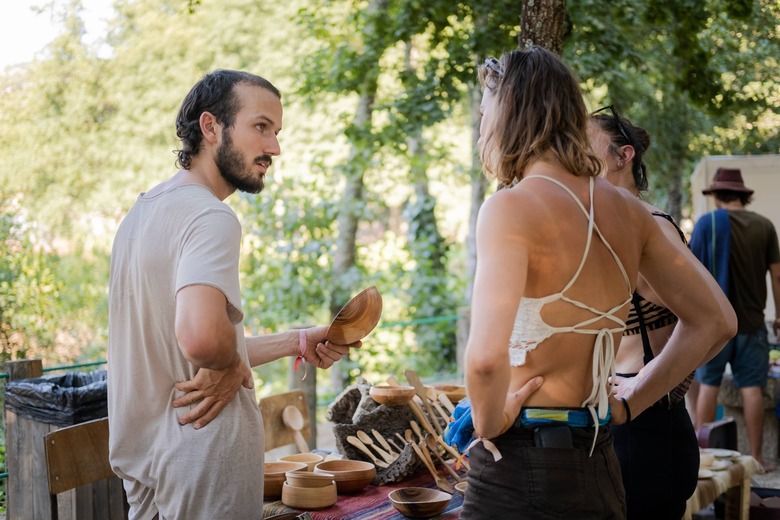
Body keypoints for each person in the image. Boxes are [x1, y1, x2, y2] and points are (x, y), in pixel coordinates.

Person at [461, 46, 735, 519]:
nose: (481, 130)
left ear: (510, 114)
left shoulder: (509, 206)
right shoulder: (632, 211)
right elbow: (717, 320)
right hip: (600, 458)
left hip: (520, 458)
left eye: (485, 114)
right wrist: (632, 403)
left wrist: (487, 421)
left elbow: (485, 360)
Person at [107, 70, 358, 519]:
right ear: (210, 127)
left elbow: (185, 358)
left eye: (276, 132)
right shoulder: (211, 217)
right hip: (204, 461)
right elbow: (203, 340)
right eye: (260, 127)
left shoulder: (141, 214)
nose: (274, 148)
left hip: (148, 467)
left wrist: (297, 341)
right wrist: (230, 362)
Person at [589, 109, 700, 519]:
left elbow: (709, 320)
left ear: (624, 156)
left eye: (585, 143)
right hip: (632, 415)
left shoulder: (651, 225)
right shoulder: (618, 223)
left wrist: (655, 384)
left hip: (647, 425)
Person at [690, 167, 780, 467]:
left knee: (709, 385)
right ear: (743, 195)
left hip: (715, 324)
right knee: (752, 389)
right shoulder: (764, 226)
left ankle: (702, 457)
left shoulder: (707, 224)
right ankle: (757, 457)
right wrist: (779, 316)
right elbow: (777, 276)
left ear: (717, 195)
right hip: (752, 324)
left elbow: (691, 271)